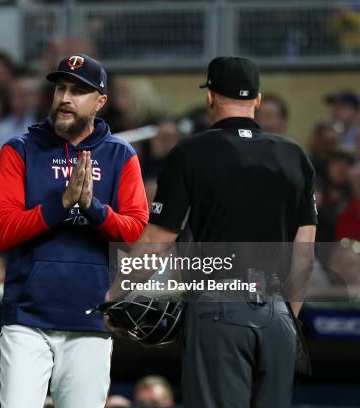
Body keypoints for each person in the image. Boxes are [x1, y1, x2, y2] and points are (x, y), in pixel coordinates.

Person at [108, 57, 317, 407]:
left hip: (219, 307)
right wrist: (288, 318)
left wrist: (116, 295)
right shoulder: (295, 155)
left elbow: (157, 239)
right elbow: (305, 252)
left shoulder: (192, 152)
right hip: (278, 314)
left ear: (210, 98)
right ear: (258, 100)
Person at [0, 54, 149, 408]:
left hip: (90, 319)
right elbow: (1, 232)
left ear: (100, 102)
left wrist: (92, 209)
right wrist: (60, 205)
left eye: (78, 91)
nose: (64, 98)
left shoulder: (121, 155)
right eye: (60, 88)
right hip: (26, 319)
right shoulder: (19, 149)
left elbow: (134, 233)